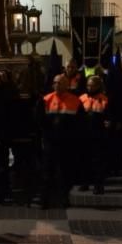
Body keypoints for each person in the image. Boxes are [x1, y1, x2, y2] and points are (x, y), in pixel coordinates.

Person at [36, 73, 84, 208]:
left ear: (67, 85)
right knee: (47, 172)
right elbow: (39, 120)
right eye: (55, 83)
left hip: (67, 143)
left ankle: (64, 198)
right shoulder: (45, 100)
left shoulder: (75, 100)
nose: (57, 85)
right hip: (50, 142)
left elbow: (80, 122)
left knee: (65, 172)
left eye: (60, 83)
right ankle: (44, 199)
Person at [78, 75, 108, 194]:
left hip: (98, 134)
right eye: (88, 85)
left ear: (98, 86)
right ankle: (85, 182)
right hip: (84, 133)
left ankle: (98, 185)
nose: (89, 87)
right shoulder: (82, 98)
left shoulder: (104, 99)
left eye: (92, 85)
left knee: (98, 161)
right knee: (84, 159)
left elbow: (107, 116)